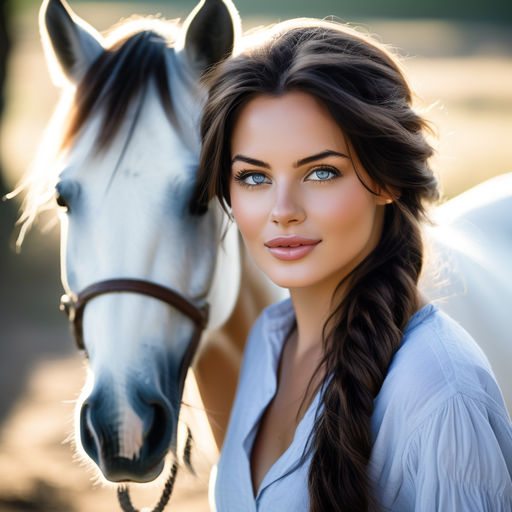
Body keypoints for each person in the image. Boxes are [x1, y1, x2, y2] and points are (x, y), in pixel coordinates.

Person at [190, 18, 512, 511]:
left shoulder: (442, 395)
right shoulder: (267, 344)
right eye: (253, 177)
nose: (283, 210)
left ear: (386, 180)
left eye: (321, 172)